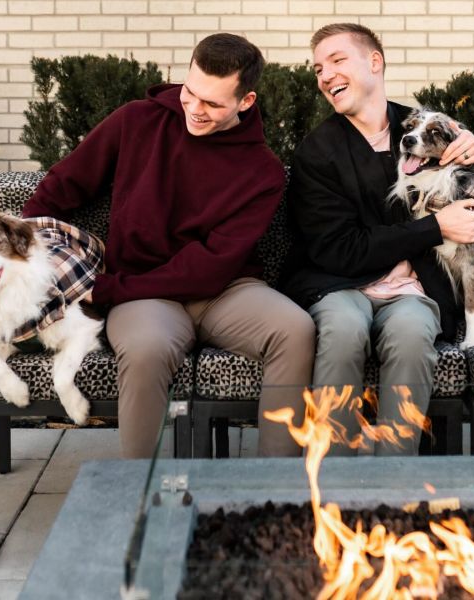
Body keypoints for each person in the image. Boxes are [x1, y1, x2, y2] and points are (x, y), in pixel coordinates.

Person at [22, 33, 315, 459]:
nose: (195, 110)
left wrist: (109, 290)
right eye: (190, 93)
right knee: (146, 349)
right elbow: (66, 183)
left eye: (212, 104)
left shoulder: (262, 170)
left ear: (246, 102)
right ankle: (144, 494)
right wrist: (21, 239)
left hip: (223, 291)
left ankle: (273, 487)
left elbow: (212, 266)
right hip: (146, 293)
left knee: (295, 328)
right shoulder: (137, 121)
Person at [283, 23, 474, 456]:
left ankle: (394, 479)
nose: (325, 75)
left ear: (375, 62)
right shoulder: (317, 152)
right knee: (342, 331)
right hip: (339, 283)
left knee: (413, 334)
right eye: (318, 68)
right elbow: (339, 250)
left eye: (337, 60)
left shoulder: (422, 128)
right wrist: (435, 227)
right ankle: (332, 478)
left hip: (414, 288)